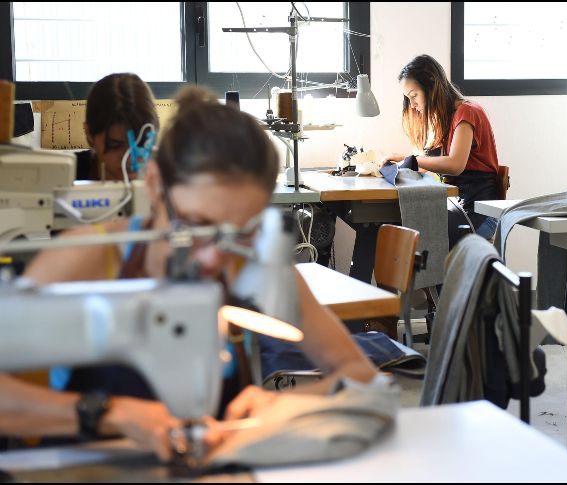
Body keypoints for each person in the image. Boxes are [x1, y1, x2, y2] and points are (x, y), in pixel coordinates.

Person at [0, 87, 377, 460]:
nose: (214, 257)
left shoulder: (253, 266)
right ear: (154, 186)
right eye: (196, 225)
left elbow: (360, 374)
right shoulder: (88, 258)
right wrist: (109, 414)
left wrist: (286, 404)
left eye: (241, 232)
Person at [381, 54, 501, 247]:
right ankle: (426, 277)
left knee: (410, 236)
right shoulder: (444, 120)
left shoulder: (467, 112)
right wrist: (401, 162)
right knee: (399, 227)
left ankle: (431, 278)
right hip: (458, 206)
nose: (412, 105)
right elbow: (428, 165)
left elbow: (455, 165)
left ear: (431, 86)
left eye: (414, 96)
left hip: (479, 213)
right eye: (408, 98)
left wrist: (411, 159)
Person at [76, 73, 159, 181]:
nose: (129, 159)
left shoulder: (173, 177)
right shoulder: (63, 172)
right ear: (89, 134)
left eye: (141, 143)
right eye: (115, 145)